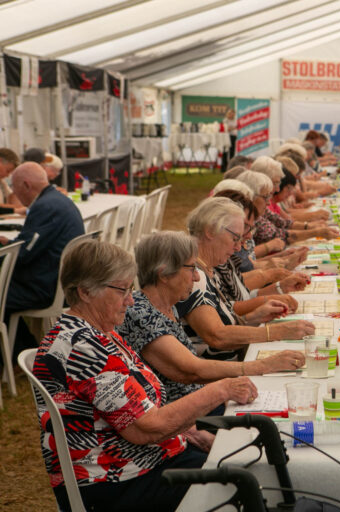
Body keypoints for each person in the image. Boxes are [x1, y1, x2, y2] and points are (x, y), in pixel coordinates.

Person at [34, 238, 259, 512]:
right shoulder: (81, 347)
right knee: (249, 484)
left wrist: (191, 433)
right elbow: (146, 428)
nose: (130, 299)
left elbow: (142, 406)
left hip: (151, 461)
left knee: (252, 461)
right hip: (117, 481)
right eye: (121, 290)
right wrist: (222, 389)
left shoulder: (103, 333)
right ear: (85, 292)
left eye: (130, 289)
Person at [118, 231, 305, 450]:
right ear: (164, 275)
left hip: (202, 411)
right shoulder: (141, 313)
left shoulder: (166, 306)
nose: (197, 278)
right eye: (190, 269)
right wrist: (265, 365)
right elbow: (190, 370)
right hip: (188, 424)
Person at [176, 197, 315, 361]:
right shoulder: (194, 276)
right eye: (235, 239)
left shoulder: (207, 269)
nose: (238, 247)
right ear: (210, 230)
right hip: (219, 376)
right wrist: (277, 332)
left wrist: (255, 316)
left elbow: (225, 320)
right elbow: (217, 336)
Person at [0, 163, 84, 351]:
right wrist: (12, 244)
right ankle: (22, 350)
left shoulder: (44, 207)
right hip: (61, 281)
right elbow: (31, 244)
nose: (15, 194)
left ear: (26, 185)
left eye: (14, 187)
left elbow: (22, 256)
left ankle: (18, 354)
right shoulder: (57, 200)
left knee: (2, 290)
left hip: (48, 288)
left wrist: (9, 249)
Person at [0, 148, 24, 213]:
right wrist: (17, 209)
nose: (8, 175)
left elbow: (12, 198)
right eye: (7, 171)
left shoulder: (2, 183)